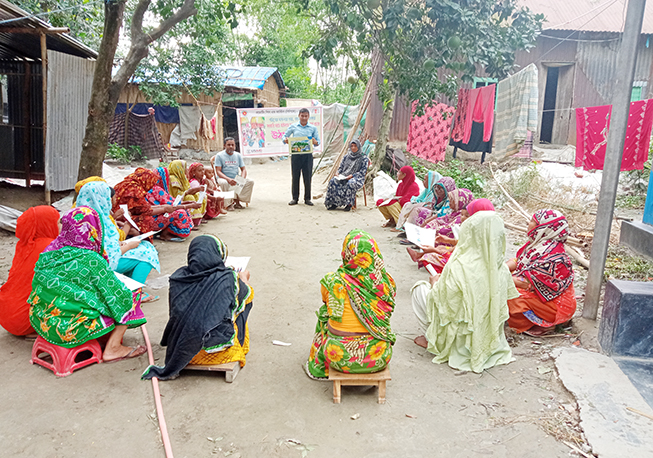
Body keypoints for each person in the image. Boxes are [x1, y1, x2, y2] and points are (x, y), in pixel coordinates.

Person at [29, 207, 147, 362]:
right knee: (130, 294)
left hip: (40, 320)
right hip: (70, 329)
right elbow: (116, 294)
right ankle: (113, 348)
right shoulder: (91, 259)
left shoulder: (50, 251)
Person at [410, 211, 519, 373]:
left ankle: (433, 339)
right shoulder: (501, 268)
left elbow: (445, 303)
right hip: (487, 333)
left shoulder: (460, 264)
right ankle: (484, 344)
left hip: (460, 336)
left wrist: (435, 284)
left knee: (419, 289)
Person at [142, 235, 253, 381]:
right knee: (246, 296)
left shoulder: (178, 277)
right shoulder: (228, 278)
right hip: (217, 353)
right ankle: (231, 345)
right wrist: (243, 279)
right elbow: (244, 297)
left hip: (181, 351)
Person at [305, 230, 396, 380]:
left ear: (346, 253)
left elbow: (327, 305)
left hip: (338, 358)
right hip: (379, 357)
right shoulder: (386, 284)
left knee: (324, 315)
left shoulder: (332, 281)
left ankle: (321, 365)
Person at [76, 181, 161, 299]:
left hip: (82, 264)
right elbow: (109, 255)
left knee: (145, 246)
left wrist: (120, 243)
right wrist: (128, 246)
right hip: (99, 265)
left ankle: (126, 287)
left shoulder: (77, 216)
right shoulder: (99, 219)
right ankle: (134, 295)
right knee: (148, 254)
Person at [507, 210, 577, 336]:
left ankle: (540, 324)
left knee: (507, 297)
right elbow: (519, 262)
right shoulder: (538, 246)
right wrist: (502, 267)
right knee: (504, 281)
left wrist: (497, 275)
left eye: (533, 221)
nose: (529, 224)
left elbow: (527, 284)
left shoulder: (555, 259)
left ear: (544, 228)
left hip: (555, 307)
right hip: (541, 297)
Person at [0, 206, 60, 336]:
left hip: (5, 314)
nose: (60, 226)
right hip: (25, 319)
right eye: (57, 222)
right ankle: (37, 327)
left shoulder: (24, 244)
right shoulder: (51, 246)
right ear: (46, 224)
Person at [407, 198, 495, 273]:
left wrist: (434, 250)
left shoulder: (480, 236)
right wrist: (448, 240)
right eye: (462, 215)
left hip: (470, 267)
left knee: (430, 256)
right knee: (440, 247)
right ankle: (419, 255)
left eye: (467, 215)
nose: (463, 218)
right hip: (464, 257)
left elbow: (462, 253)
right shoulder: (483, 230)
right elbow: (462, 243)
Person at [114, 167, 198, 241]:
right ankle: (145, 240)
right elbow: (145, 211)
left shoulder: (125, 184)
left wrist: (164, 207)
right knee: (148, 219)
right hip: (129, 219)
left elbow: (142, 207)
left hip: (119, 217)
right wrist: (165, 208)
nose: (151, 186)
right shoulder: (136, 191)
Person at [283, 108, 320, 206]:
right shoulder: (293, 126)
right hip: (295, 155)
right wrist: (286, 139)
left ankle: (307, 198)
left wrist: (314, 141)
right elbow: (284, 136)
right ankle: (295, 198)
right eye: (302, 116)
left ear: (308, 116)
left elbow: (317, 142)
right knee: (295, 177)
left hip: (308, 156)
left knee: (307, 177)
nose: (304, 118)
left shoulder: (313, 128)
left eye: (306, 116)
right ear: (299, 116)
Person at [324, 140, 368, 211]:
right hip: (344, 175)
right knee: (333, 181)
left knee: (351, 183)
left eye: (355, 146)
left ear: (359, 146)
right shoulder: (346, 156)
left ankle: (349, 204)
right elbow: (341, 168)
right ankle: (334, 203)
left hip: (357, 177)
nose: (353, 148)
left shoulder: (363, 157)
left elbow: (363, 171)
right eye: (352, 146)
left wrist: (352, 175)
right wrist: (338, 173)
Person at [210, 138, 254, 209]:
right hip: (223, 178)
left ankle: (238, 201)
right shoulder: (219, 155)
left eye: (232, 145)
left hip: (236, 178)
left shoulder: (238, 155)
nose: (231, 146)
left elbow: (243, 169)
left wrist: (241, 179)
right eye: (229, 145)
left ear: (235, 146)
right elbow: (218, 171)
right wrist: (228, 179)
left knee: (250, 182)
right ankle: (228, 204)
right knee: (224, 183)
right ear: (224, 145)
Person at [168, 160, 205, 226]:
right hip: (175, 199)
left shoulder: (181, 177)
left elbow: (187, 189)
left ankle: (198, 218)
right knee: (189, 197)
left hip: (182, 196)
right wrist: (189, 192)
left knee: (198, 195)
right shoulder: (172, 178)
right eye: (184, 168)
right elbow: (177, 194)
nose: (186, 170)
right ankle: (192, 220)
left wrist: (194, 191)